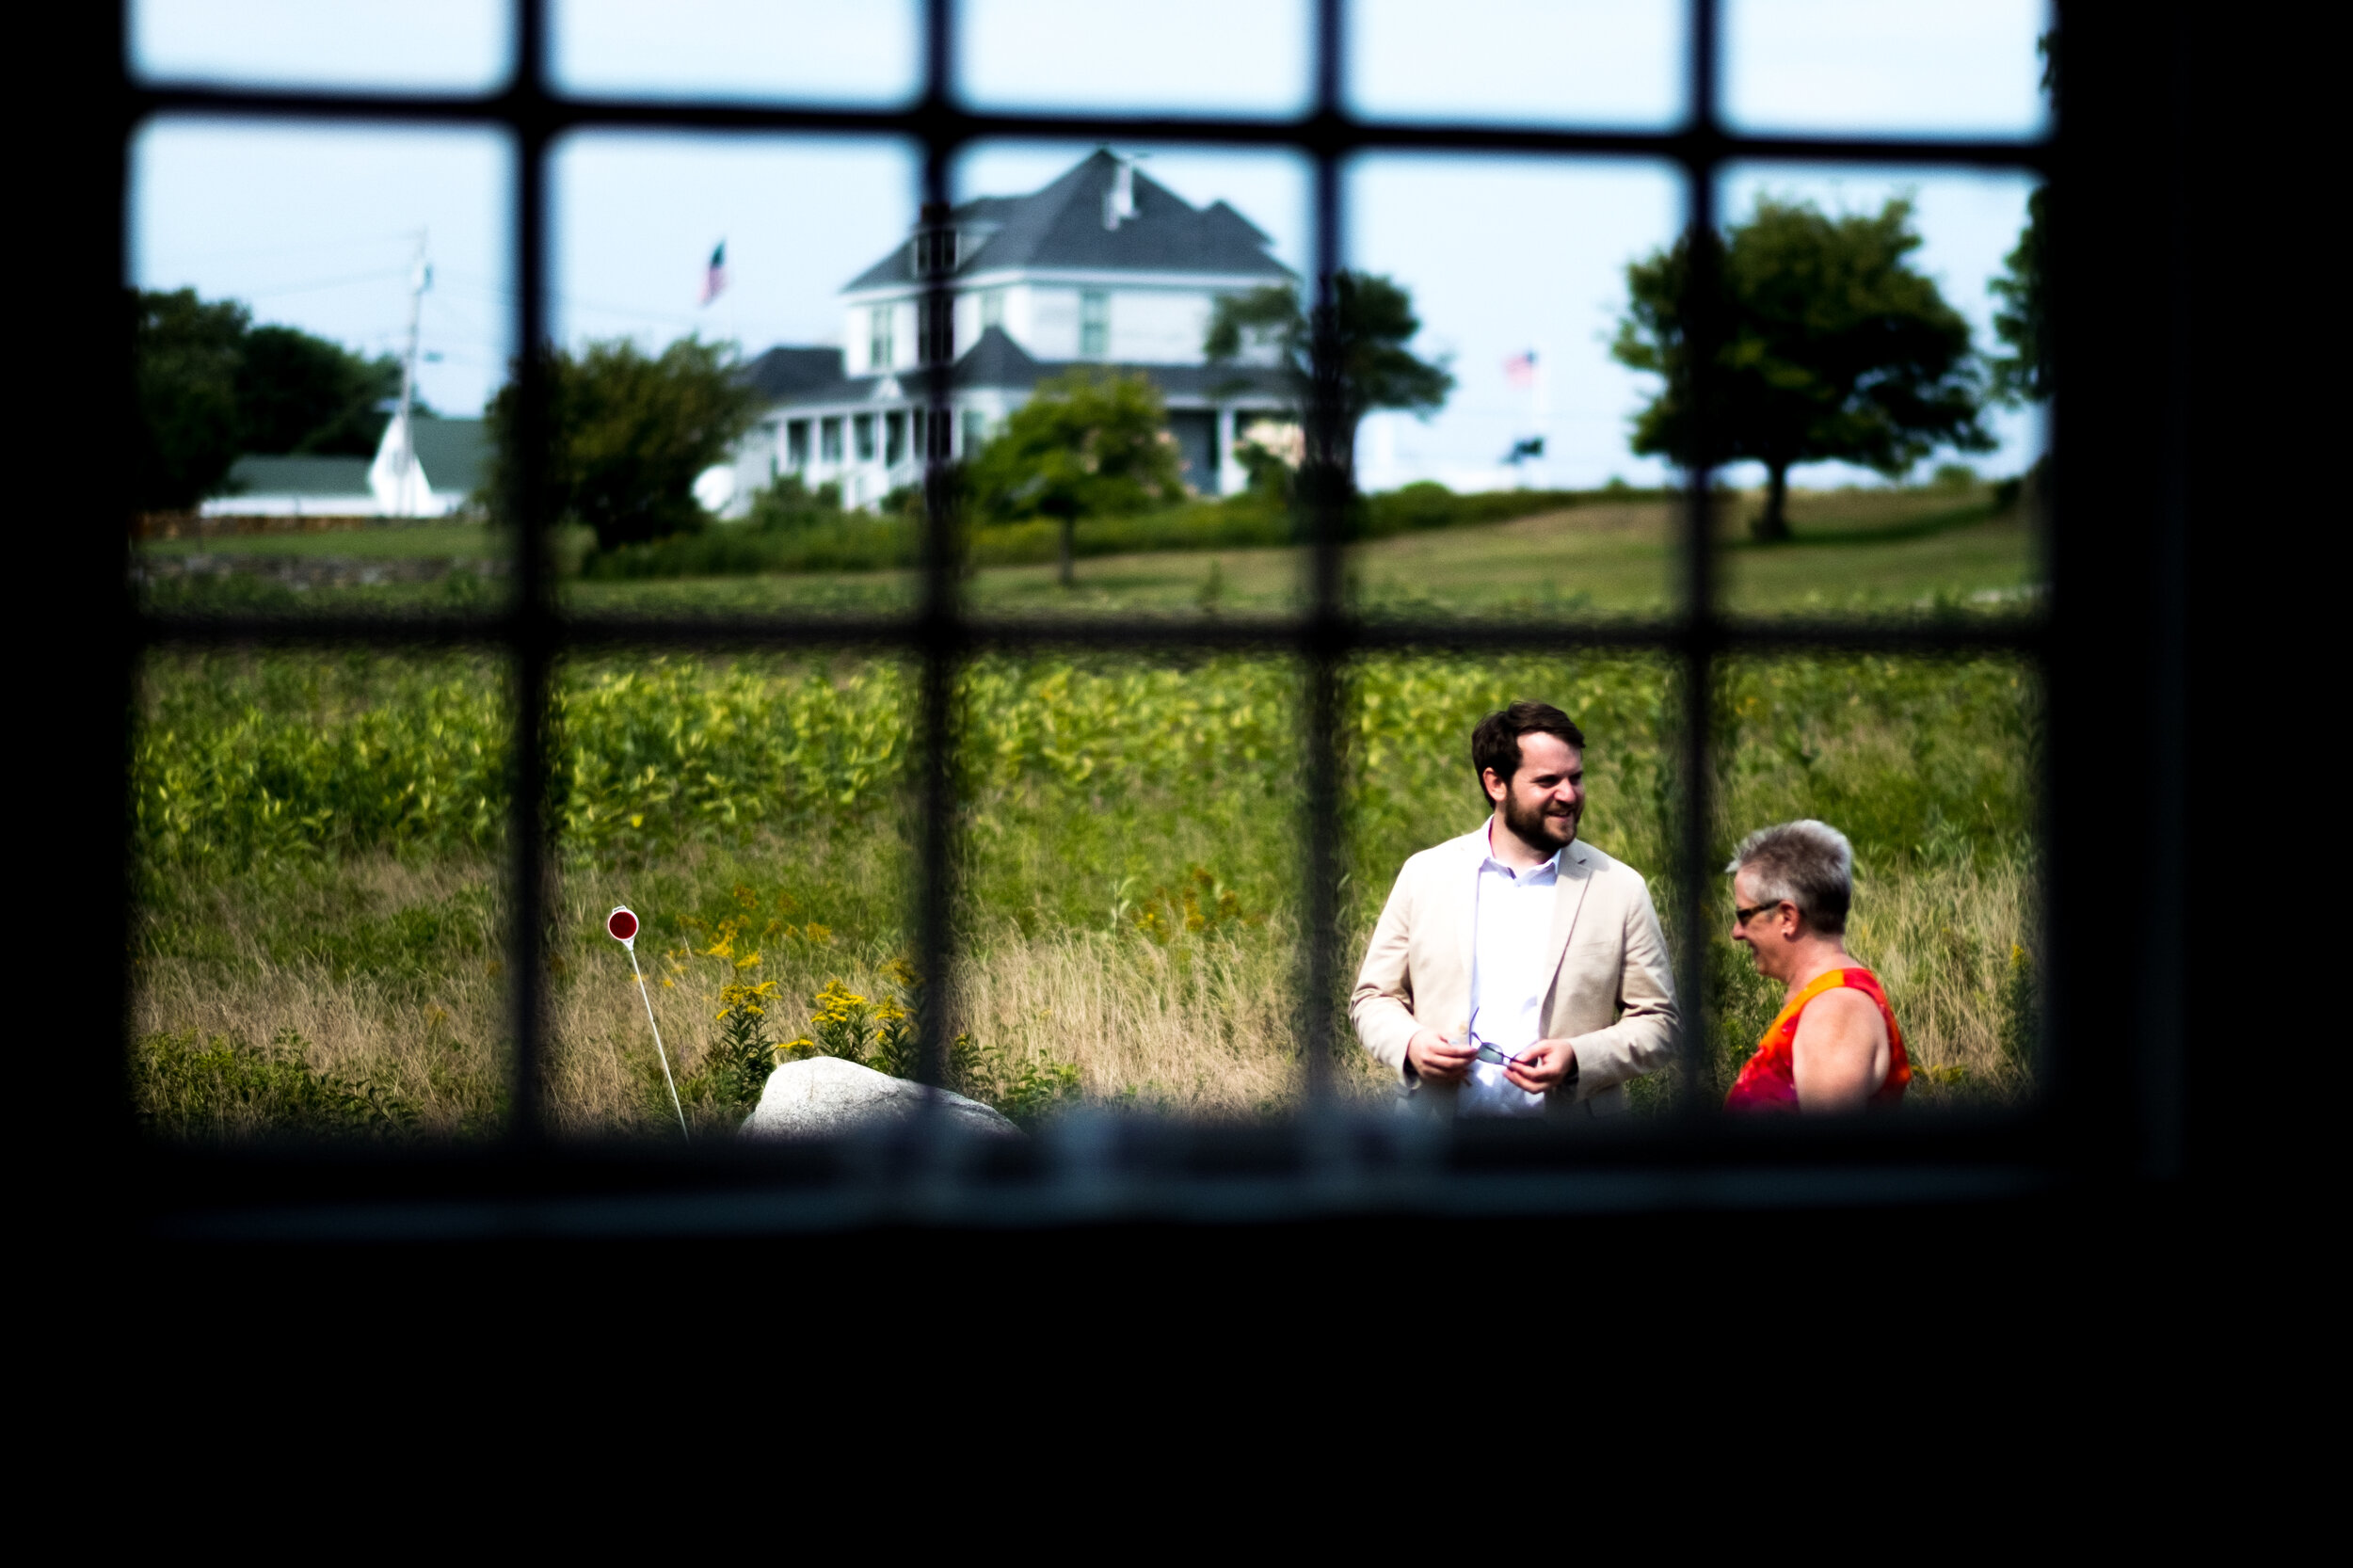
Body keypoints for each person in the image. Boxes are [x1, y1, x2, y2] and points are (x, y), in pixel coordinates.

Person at [1351, 700, 1678, 1116]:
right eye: (1548, 781)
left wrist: (1578, 1057)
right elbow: (1373, 997)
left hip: (1567, 1159)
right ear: (1496, 784)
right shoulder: (1426, 874)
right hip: (1439, 1149)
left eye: (1576, 778)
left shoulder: (1618, 887)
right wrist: (1412, 1044)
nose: (1569, 794)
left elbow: (1660, 1023)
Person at [1722, 820, 1911, 1112]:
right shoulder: (1828, 1000)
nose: (1736, 931)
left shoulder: (1836, 1012)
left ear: (1787, 917)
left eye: (1744, 915)